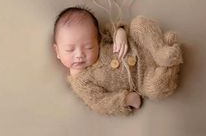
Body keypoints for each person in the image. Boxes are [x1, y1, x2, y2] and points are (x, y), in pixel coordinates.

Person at [53, 7, 183, 115]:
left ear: (97, 41)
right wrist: (125, 100)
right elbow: (100, 102)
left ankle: (161, 51)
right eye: (70, 50)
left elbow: (112, 29)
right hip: (142, 78)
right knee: (155, 89)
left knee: (139, 24)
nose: (79, 55)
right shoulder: (81, 82)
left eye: (88, 47)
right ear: (57, 51)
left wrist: (120, 33)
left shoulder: (102, 39)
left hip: (140, 45)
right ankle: (170, 61)